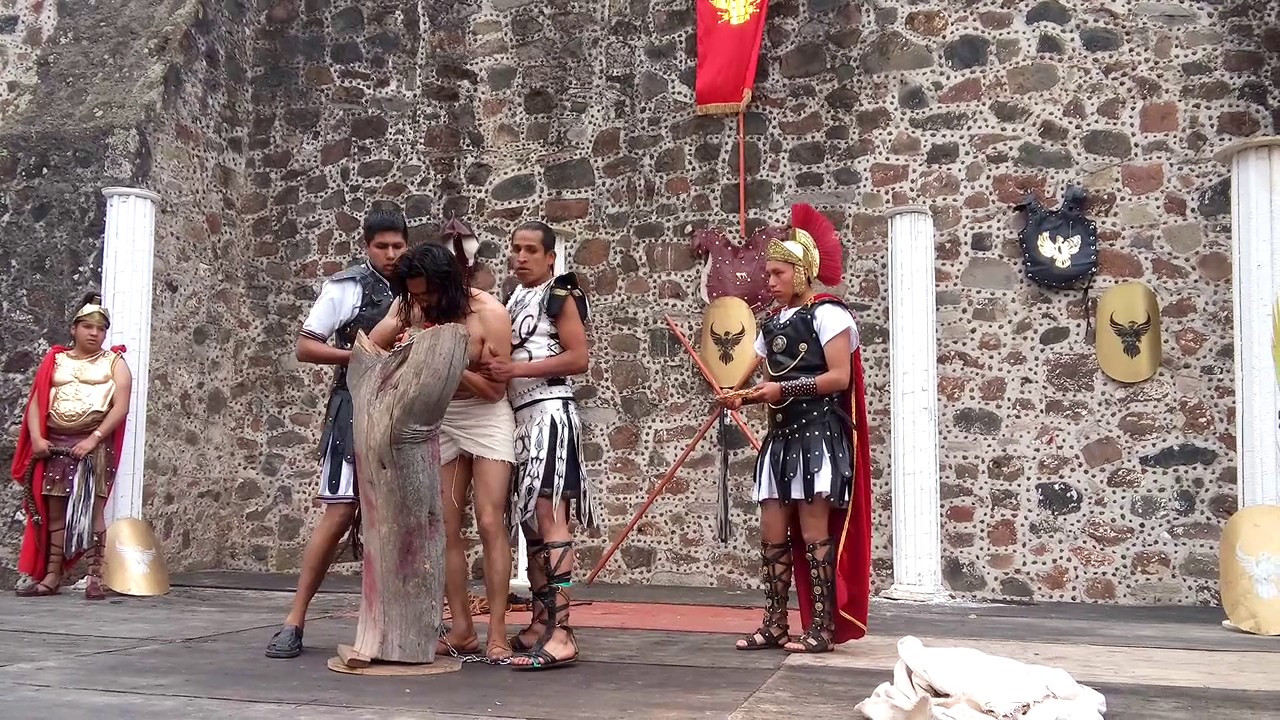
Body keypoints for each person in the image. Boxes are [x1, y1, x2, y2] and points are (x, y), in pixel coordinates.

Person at [718, 203, 872, 654]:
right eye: (768, 273)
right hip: (781, 439)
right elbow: (754, 366)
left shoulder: (829, 315)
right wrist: (737, 392)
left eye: (778, 273)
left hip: (818, 437)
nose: (769, 281)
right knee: (771, 533)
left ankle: (822, 628)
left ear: (801, 273)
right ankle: (774, 624)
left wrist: (780, 389)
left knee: (812, 535)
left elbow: (839, 378)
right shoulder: (772, 323)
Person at [265, 207, 409, 659]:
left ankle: (402, 623)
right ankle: (294, 619)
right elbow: (307, 346)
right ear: (367, 246)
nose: (390, 254)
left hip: (404, 411)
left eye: (397, 246)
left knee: (404, 520)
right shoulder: (347, 286)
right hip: (353, 407)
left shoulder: (416, 286)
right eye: (381, 246)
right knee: (339, 513)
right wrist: (363, 356)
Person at [369, 240, 517, 663]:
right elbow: (372, 350)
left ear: (448, 285)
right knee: (445, 527)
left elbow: (493, 391)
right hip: (442, 416)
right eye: (415, 294)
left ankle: (499, 633)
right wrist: (406, 348)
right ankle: (463, 628)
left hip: (486, 417)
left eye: (428, 294)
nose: (422, 302)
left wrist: (447, 359)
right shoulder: (411, 305)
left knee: (490, 520)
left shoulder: (488, 312)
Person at [477, 221, 597, 670]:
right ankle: (541, 620)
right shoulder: (513, 299)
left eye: (531, 250)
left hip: (549, 414)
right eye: (515, 249)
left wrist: (513, 372)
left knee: (549, 514)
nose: (521, 257)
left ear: (550, 258)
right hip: (520, 420)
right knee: (530, 520)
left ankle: (563, 632)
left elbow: (578, 358)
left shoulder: (560, 293)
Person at [12, 292, 132, 600]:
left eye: (101, 328)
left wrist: (93, 439)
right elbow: (37, 401)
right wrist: (38, 439)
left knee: (94, 510)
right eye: (88, 327)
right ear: (74, 328)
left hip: (93, 446)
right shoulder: (55, 360)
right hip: (56, 445)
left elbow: (120, 407)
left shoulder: (115, 363)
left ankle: (95, 576)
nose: (95, 333)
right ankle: (52, 575)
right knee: (54, 511)